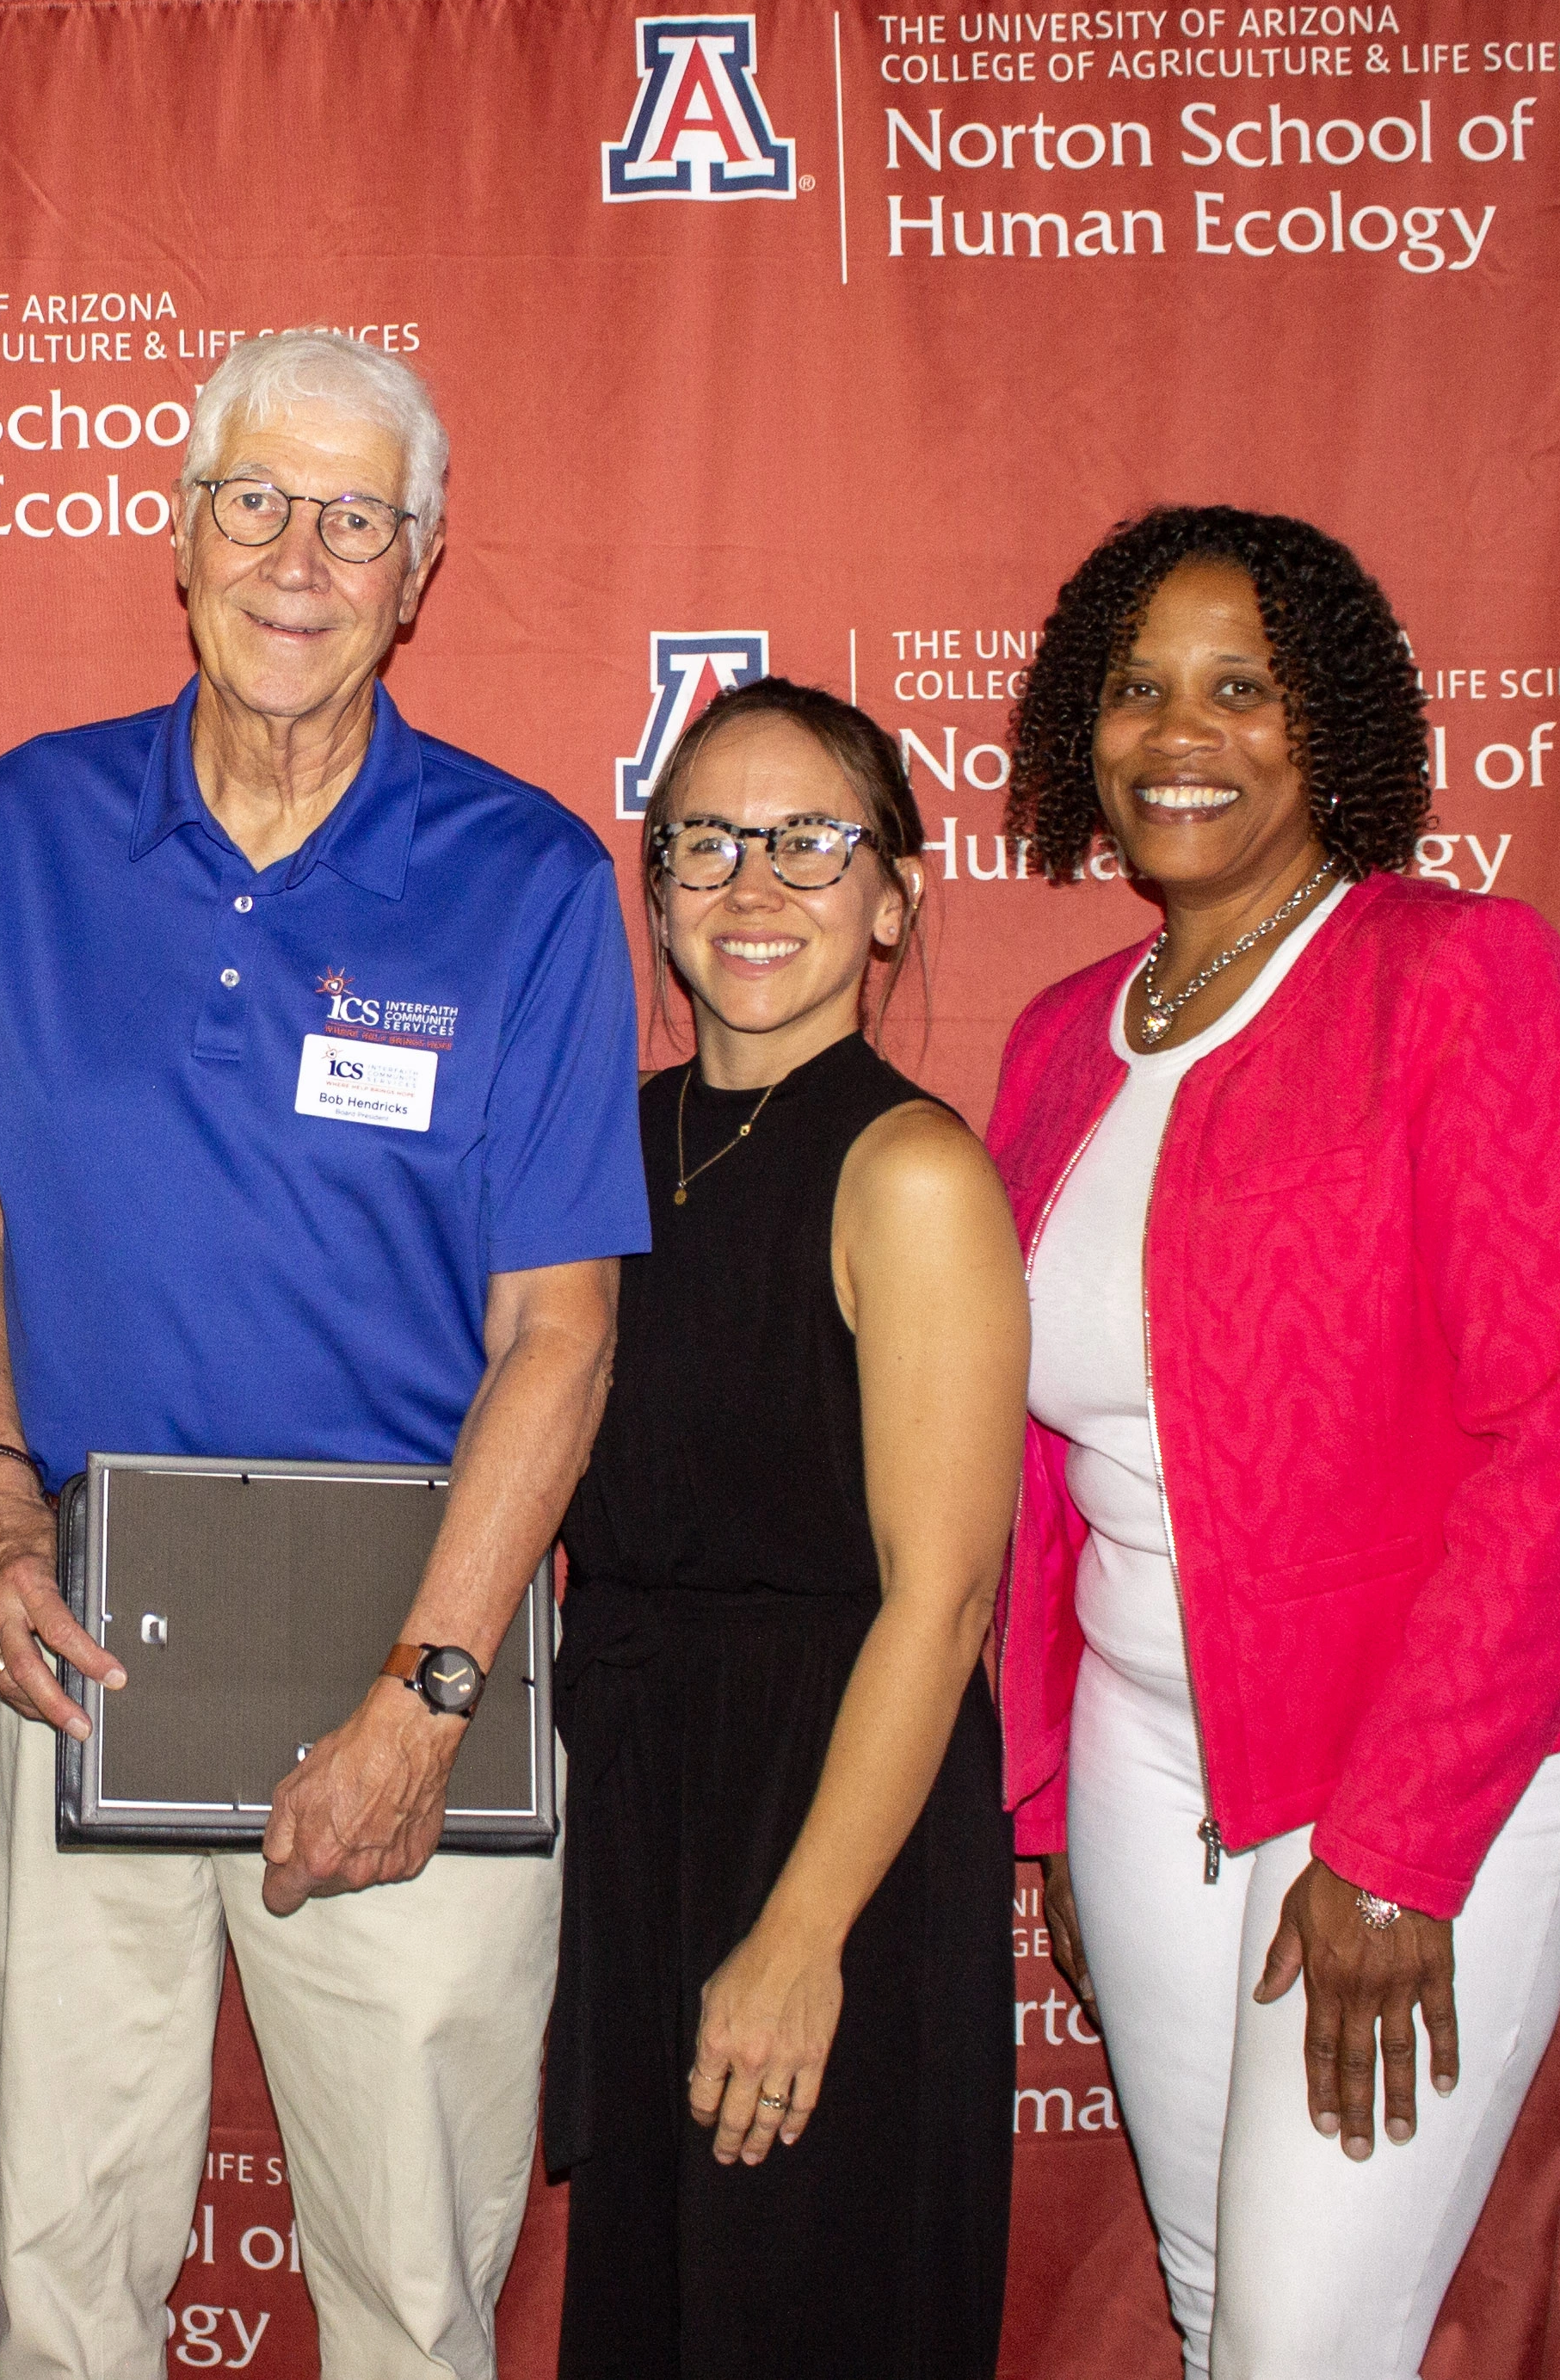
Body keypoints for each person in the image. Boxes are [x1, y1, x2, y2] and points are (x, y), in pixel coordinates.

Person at [0, 330, 647, 2380]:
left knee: (410, 2299)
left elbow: (558, 1339)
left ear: (421, 569)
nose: (299, 558)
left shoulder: (534, 879)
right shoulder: (26, 827)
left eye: (355, 520)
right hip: (71, 1642)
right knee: (58, 2281)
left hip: (410, 1643)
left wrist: (426, 1696)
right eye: (256, 504)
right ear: (179, 535)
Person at [990, 506, 1560, 2377]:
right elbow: (1046, 1481)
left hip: (1439, 1768)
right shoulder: (1061, 1041)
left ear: (1334, 728)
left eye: (1243, 688)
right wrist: (1046, 1798)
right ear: (1075, 729)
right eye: (1136, 686)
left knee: (1305, 2342)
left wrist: (1394, 1848)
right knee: (1220, 2308)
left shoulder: (1464, 981)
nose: (1178, 731)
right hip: (1147, 1753)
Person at [546, 679, 1023, 2377]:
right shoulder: (611, 1145)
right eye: (708, 843)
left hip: (836, 1815)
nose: (755, 886)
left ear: (893, 893)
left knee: (805, 2303)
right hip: (646, 1796)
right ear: (656, 884)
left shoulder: (908, 1172)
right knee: (661, 2308)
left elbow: (946, 1598)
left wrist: (804, 1933)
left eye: (812, 842)